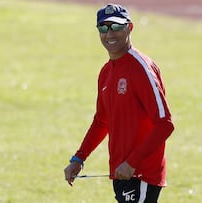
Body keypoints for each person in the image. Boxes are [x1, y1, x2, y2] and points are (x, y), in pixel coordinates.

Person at [64, 4, 175, 203]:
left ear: (129, 28)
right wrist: (79, 158)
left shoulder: (141, 69)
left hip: (141, 174)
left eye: (116, 27)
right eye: (103, 28)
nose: (109, 34)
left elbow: (165, 124)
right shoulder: (107, 72)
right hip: (122, 173)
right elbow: (101, 122)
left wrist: (132, 162)